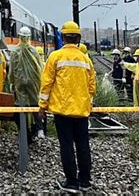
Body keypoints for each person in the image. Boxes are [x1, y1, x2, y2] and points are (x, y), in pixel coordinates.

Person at [38, 21, 96, 193]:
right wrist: (88, 103)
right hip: (81, 111)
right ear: (78, 38)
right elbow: (92, 87)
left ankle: (71, 182)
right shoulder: (86, 60)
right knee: (83, 145)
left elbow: (46, 84)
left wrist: (42, 106)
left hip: (62, 111)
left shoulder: (55, 57)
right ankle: (85, 181)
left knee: (67, 146)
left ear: (63, 38)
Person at [9, 26, 44, 140]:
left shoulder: (15, 51)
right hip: (33, 81)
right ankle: (39, 129)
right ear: (29, 37)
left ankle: (24, 131)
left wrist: (11, 82)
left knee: (21, 105)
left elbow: (12, 69)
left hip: (20, 81)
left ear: (19, 37)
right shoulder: (34, 51)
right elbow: (39, 67)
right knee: (35, 104)